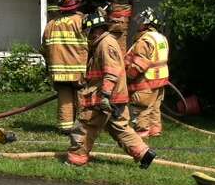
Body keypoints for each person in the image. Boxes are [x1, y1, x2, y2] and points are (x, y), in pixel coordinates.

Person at [66, 9, 156, 169]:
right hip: (114, 98)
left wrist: (105, 96)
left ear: (95, 30)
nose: (87, 35)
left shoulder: (105, 44)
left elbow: (111, 72)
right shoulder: (105, 43)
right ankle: (144, 154)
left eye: (87, 31)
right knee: (119, 128)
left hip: (103, 98)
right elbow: (99, 72)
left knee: (85, 127)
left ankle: (76, 160)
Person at [41, 0, 88, 132]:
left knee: (64, 98)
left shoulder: (51, 24)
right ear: (77, 6)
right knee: (81, 97)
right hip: (78, 70)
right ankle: (82, 126)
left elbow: (44, 48)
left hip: (58, 71)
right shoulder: (81, 22)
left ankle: (66, 128)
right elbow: (91, 42)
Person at [125, 8, 170, 138]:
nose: (138, 24)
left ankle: (142, 132)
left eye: (141, 22)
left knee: (142, 108)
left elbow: (139, 64)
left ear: (148, 24)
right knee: (155, 107)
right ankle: (155, 130)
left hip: (147, 80)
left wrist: (128, 77)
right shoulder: (161, 38)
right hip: (160, 80)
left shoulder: (145, 41)